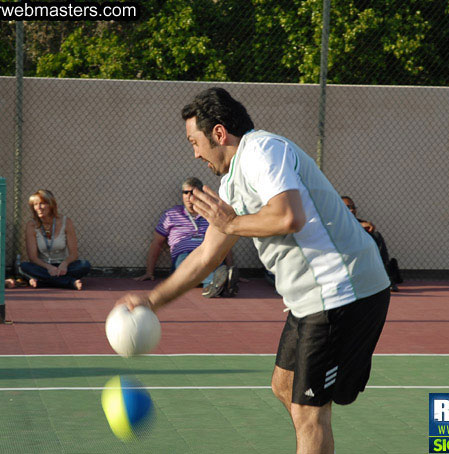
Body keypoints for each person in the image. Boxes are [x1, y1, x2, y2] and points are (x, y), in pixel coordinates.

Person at [118, 87, 391, 454]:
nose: (194, 152)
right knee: (284, 386)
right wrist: (152, 299)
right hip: (312, 299)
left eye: (194, 141)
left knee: (309, 412)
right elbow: (205, 256)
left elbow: (287, 216)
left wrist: (231, 224)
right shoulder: (232, 182)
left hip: (342, 290)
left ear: (218, 133)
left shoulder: (263, 150)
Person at [134, 177, 239, 298]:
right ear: (182, 195)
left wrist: (230, 266)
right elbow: (156, 243)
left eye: (193, 192)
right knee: (186, 264)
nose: (189, 196)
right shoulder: (171, 215)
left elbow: (223, 242)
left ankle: (216, 284)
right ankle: (219, 282)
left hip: (209, 251)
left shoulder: (211, 214)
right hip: (183, 255)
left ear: (201, 195)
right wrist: (149, 272)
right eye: (186, 192)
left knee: (213, 261)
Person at [19, 189, 91, 290]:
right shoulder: (31, 225)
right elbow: (33, 258)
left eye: (42, 203)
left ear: (51, 204)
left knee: (84, 265)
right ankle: (69, 283)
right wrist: (49, 267)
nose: (38, 208)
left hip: (63, 266)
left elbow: (74, 254)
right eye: (35, 205)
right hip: (43, 266)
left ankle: (42, 282)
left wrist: (64, 264)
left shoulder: (66, 222)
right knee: (23, 267)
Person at [341, 196, 402, 292]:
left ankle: (387, 276)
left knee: (376, 236)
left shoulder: (361, 223)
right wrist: (359, 226)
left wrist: (367, 228)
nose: (352, 210)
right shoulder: (334, 222)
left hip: (364, 259)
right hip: (343, 259)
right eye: (348, 207)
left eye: (353, 207)